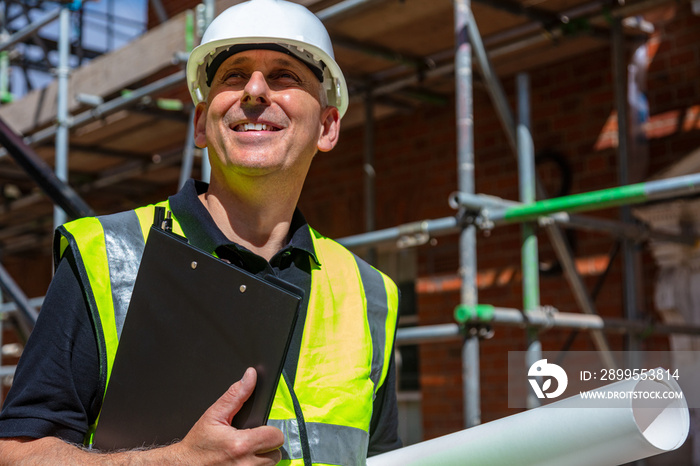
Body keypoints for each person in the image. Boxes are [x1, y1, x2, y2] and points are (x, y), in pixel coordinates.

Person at [0, 0, 401, 464]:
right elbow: (16, 453)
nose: (254, 90)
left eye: (284, 76)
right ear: (201, 124)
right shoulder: (106, 255)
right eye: (233, 76)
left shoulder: (372, 295)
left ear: (328, 127)